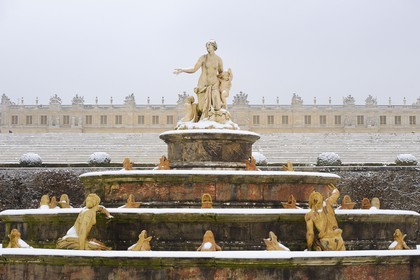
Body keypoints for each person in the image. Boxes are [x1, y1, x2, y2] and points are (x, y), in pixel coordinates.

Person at [174, 40, 224, 121]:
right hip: (203, 85)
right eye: (207, 45)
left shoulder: (218, 59)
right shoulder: (203, 58)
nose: (207, 47)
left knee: (217, 106)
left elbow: (221, 73)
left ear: (214, 46)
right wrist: (182, 70)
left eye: (209, 45)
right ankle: (195, 114)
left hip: (214, 85)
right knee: (202, 108)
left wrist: (224, 86)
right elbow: (194, 69)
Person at [305, 184, 346, 251]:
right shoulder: (328, 203)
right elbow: (336, 194)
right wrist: (334, 190)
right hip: (339, 239)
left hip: (326, 242)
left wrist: (309, 248)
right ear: (321, 198)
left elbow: (310, 234)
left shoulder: (310, 215)